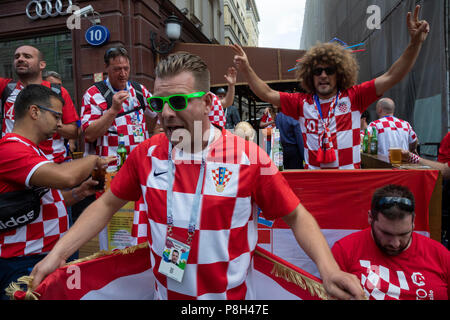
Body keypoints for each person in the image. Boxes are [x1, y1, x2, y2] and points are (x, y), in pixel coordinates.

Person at [30, 52, 365, 300]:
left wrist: (328, 268)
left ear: (206, 103)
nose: (165, 113)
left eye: (177, 101)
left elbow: (296, 215)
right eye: (159, 102)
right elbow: (105, 205)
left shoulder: (250, 158)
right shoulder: (144, 155)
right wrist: (57, 255)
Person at [232, 5, 430, 169]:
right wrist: (247, 68)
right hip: (317, 184)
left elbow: (393, 76)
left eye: (329, 70)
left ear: (340, 73)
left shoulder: (354, 97)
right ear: (310, 75)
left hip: (349, 185)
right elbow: (266, 93)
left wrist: (415, 44)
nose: (323, 75)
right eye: (317, 71)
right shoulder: (301, 103)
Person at [0, 85, 114, 300]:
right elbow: (65, 177)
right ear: (34, 112)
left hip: (41, 256)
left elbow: (42, 202)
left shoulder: (34, 149)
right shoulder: (10, 148)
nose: (60, 124)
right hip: (23, 262)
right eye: (56, 116)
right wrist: (94, 159)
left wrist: (79, 193)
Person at [331, 184, 449, 300]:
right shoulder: (345, 250)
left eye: (404, 234)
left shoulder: (440, 254)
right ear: (370, 218)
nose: (395, 244)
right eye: (387, 234)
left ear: (413, 222)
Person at [81, 46, 157, 170]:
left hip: (140, 165)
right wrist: (113, 111)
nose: (123, 74)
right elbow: (89, 135)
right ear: (106, 67)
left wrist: (156, 137)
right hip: (110, 168)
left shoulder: (139, 90)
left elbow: (160, 112)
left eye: (126, 68)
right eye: (117, 69)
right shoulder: (93, 94)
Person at [0, 45, 79, 163]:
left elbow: (74, 132)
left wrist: (50, 122)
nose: (20, 59)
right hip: (16, 162)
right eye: (17, 57)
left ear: (42, 65)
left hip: (52, 163)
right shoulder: (5, 88)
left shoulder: (58, 92)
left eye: (27, 56)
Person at [43, 70, 80, 157]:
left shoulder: (63, 96)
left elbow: (76, 125)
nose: (56, 88)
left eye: (59, 85)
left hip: (57, 153)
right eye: (52, 85)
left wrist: (71, 142)